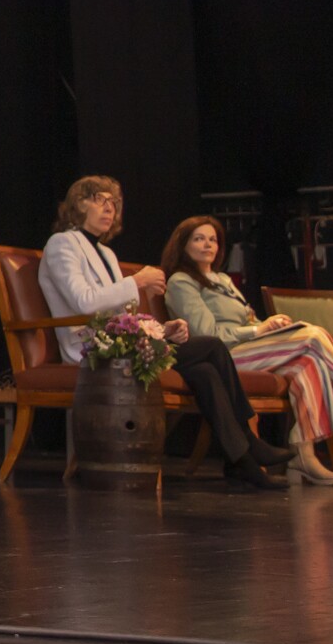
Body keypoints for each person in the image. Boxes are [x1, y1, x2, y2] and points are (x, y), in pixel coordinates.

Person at [39, 176, 295, 490]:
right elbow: (84, 302)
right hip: (90, 347)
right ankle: (247, 442)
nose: (109, 209)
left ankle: (241, 461)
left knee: (204, 372)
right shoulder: (62, 243)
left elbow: (122, 316)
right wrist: (138, 281)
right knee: (212, 346)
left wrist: (161, 330)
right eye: (98, 200)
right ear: (78, 204)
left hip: (120, 342)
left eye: (113, 203)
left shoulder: (104, 253)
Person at [160, 216, 333, 486]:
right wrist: (257, 331)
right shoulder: (181, 281)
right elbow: (207, 336)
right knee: (314, 337)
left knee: (307, 364)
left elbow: (248, 318)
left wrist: (267, 326)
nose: (208, 244)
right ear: (183, 245)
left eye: (212, 239)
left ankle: (304, 452)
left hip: (250, 348)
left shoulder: (222, 279)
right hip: (223, 355)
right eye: (199, 239)